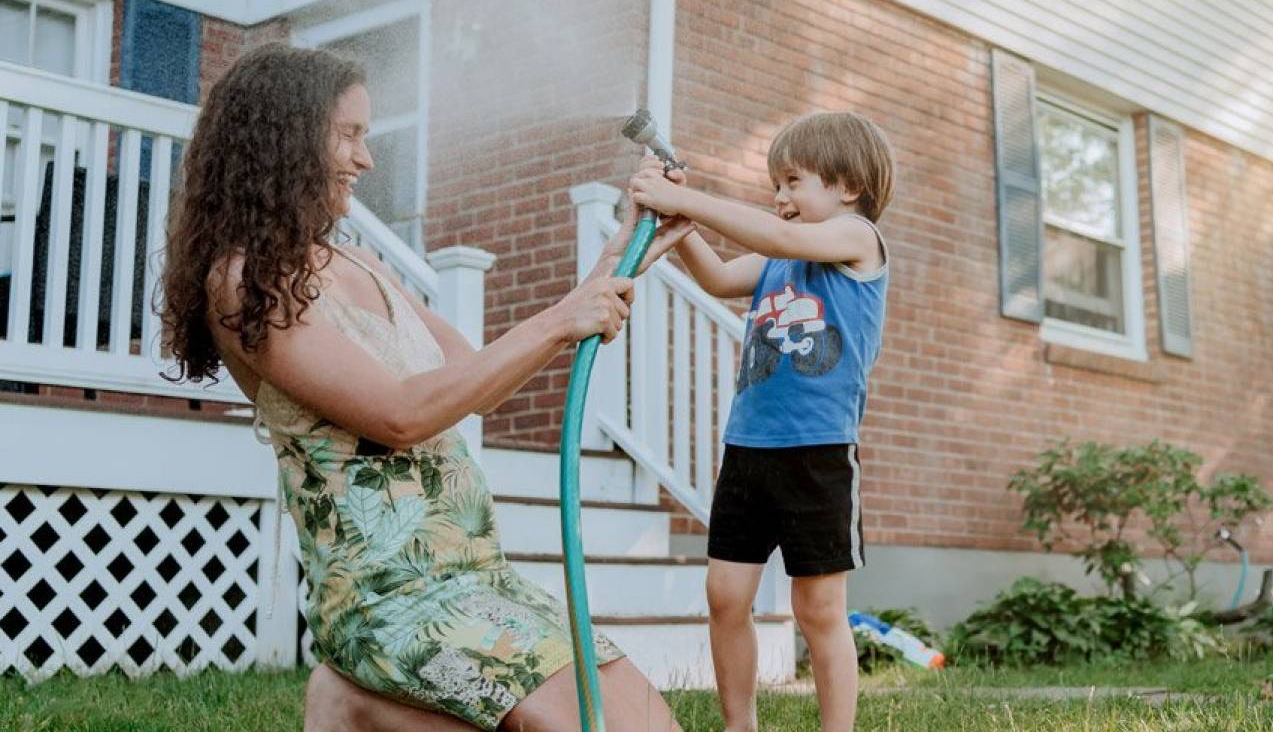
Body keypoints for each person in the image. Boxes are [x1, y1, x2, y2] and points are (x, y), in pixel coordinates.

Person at [158, 43, 692, 732]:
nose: (366, 158)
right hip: (387, 600)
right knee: (571, 724)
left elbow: (481, 381)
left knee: (649, 722)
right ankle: (348, 694)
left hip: (478, 580)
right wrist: (563, 318)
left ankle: (346, 704)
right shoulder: (244, 284)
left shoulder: (361, 261)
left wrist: (620, 254)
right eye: (348, 135)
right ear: (284, 138)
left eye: (365, 136)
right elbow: (399, 416)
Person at [627, 111, 893, 732]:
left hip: (819, 455)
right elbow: (719, 278)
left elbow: (785, 241)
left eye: (792, 182)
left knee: (818, 608)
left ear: (846, 184)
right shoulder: (776, 262)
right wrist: (681, 223)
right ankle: (739, 725)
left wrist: (685, 195)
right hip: (748, 451)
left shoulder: (857, 239)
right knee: (725, 597)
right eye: (776, 185)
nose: (779, 198)